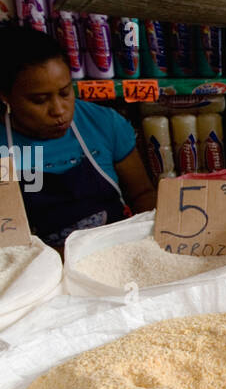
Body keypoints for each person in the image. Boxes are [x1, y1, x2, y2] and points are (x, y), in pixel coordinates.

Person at [0, 26, 156, 249]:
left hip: (120, 251)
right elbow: (7, 239)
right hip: (46, 271)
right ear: (6, 95)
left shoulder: (103, 123)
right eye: (40, 100)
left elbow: (142, 193)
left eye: (65, 92)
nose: (58, 110)